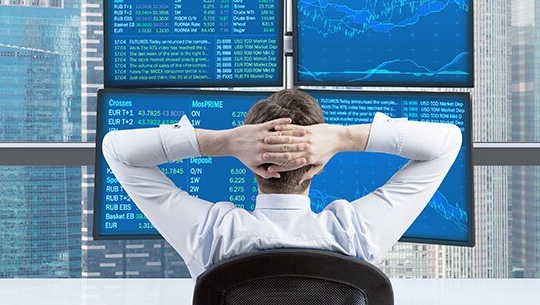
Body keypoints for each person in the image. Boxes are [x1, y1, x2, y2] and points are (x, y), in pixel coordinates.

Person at [102, 89, 462, 278]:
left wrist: (225, 142)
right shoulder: (355, 235)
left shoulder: (213, 236)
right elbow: (447, 143)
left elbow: (116, 150)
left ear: (250, 164)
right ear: (317, 166)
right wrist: (342, 138)